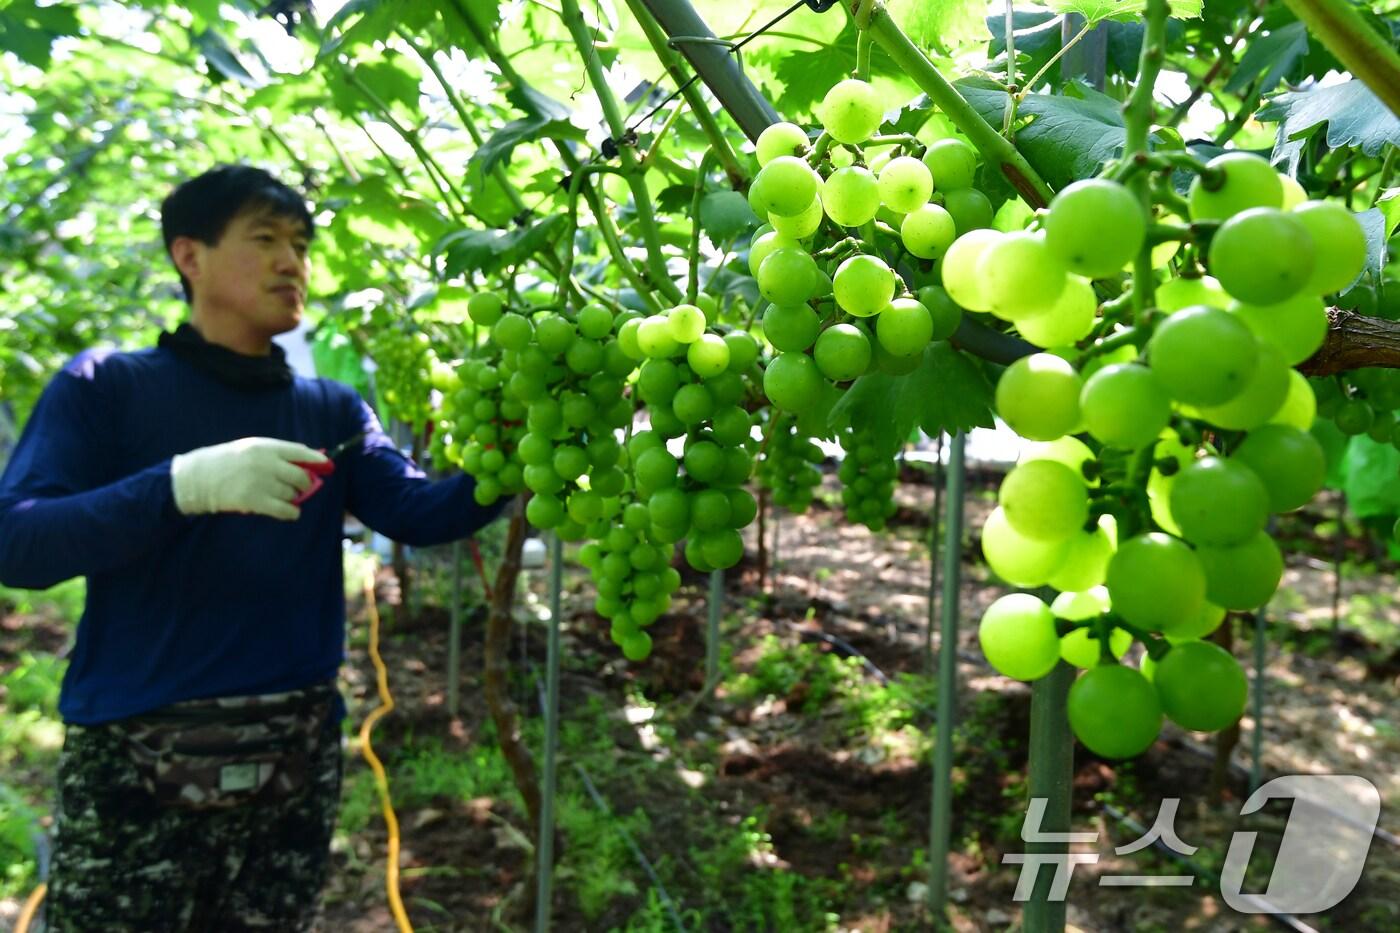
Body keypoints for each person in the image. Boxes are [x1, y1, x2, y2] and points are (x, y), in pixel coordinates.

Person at [0, 164, 505, 931]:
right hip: (139, 752)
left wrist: (515, 453)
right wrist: (178, 484)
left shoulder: (328, 405)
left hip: (292, 749)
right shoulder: (106, 385)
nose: (291, 262)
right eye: (264, 238)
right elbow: (18, 542)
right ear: (189, 256)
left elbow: (418, 510)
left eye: (300, 243)